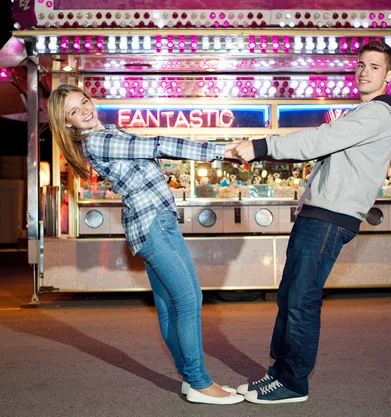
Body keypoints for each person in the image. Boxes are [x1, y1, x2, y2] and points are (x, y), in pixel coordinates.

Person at [228, 40, 391, 404]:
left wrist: (260, 146)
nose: (363, 71)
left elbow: (318, 139)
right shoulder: (363, 114)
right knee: (290, 295)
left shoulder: (374, 115)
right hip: (319, 213)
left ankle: (293, 383)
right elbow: (322, 150)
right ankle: (279, 373)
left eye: (374, 66)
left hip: (330, 217)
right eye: (360, 64)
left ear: (389, 76)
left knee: (301, 300)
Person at [47, 84, 244, 405]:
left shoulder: (108, 133)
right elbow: (160, 144)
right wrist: (220, 151)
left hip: (154, 223)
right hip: (152, 225)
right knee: (188, 300)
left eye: (83, 101)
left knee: (170, 305)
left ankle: (190, 379)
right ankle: (199, 382)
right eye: (73, 111)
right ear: (67, 123)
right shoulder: (101, 140)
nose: (84, 110)